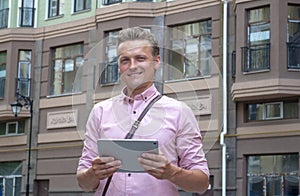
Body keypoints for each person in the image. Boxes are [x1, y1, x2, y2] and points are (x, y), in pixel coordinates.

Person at [76, 27, 210, 195]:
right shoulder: (99, 112)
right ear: (119, 66)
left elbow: (201, 183)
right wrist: (92, 173)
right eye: (125, 60)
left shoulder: (179, 112)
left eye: (140, 58)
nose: (132, 66)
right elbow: (83, 183)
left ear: (156, 61)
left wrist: (172, 172)